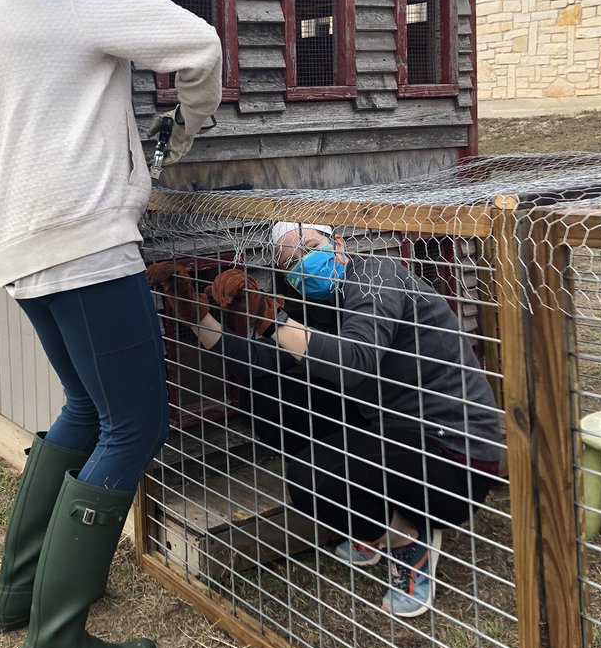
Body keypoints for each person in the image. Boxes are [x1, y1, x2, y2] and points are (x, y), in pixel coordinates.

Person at [0, 0, 222, 648]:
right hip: (81, 239)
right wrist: (187, 125)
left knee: (84, 409)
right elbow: (198, 47)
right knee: (136, 424)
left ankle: (19, 594)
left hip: (20, 244)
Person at [147, 222, 502, 619]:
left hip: (455, 455)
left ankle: (409, 539)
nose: (302, 263)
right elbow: (271, 361)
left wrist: (273, 319)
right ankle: (378, 519)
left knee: (309, 478)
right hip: (398, 431)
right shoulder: (324, 300)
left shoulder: (375, 279)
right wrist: (198, 319)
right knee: (274, 400)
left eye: (310, 246)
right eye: (290, 261)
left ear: (338, 245)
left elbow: (357, 360)